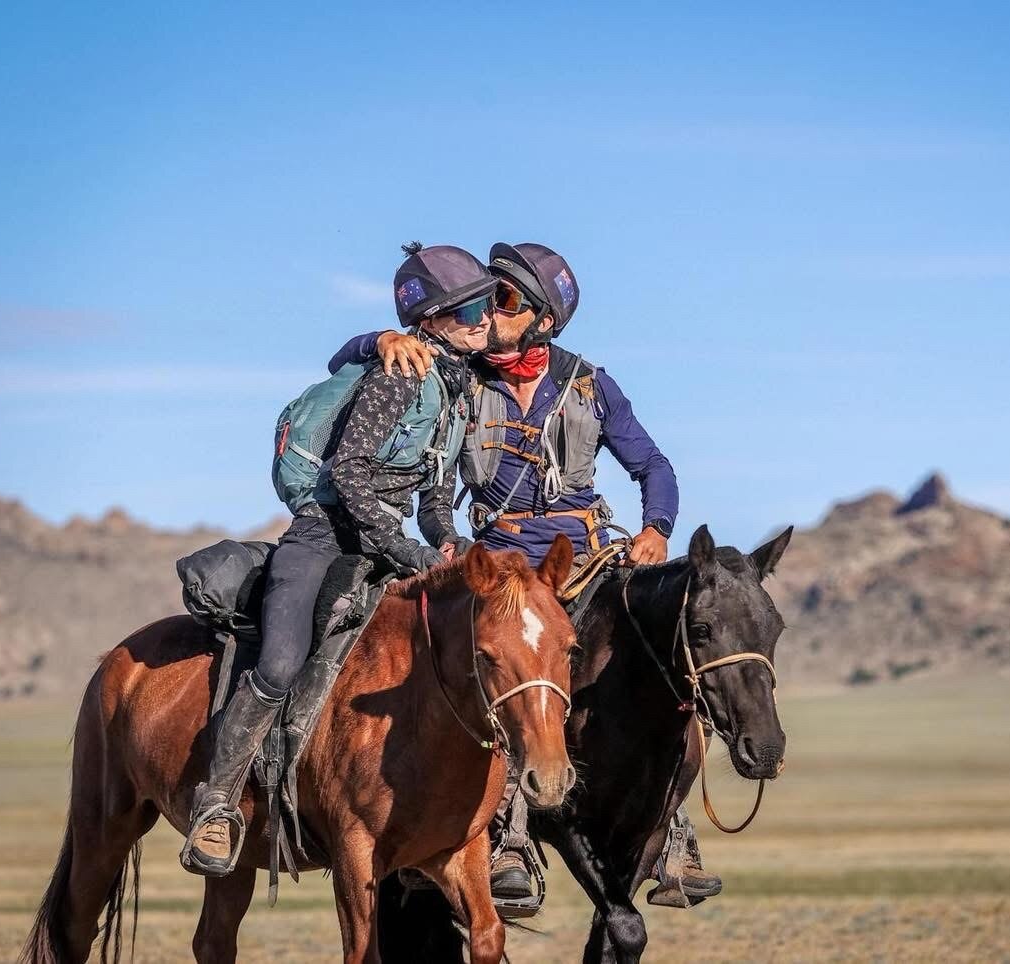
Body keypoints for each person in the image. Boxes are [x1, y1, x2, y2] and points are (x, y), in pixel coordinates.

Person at [329, 243, 718, 906]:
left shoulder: (591, 385)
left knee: (667, 655)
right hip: (503, 566)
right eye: (484, 298)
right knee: (491, 685)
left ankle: (672, 831)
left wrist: (656, 530)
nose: (487, 311)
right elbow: (347, 363)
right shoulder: (455, 372)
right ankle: (505, 836)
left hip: (586, 559)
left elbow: (655, 468)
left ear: (540, 317)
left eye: (503, 300)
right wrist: (381, 337)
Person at [180, 244, 495, 877]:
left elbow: (432, 497)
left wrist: (447, 542)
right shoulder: (398, 372)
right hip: (322, 536)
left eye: (487, 306)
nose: (485, 319)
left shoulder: (457, 396)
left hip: (384, 544)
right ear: (431, 320)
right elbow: (349, 474)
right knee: (280, 659)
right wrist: (407, 549)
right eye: (472, 309)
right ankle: (215, 805)